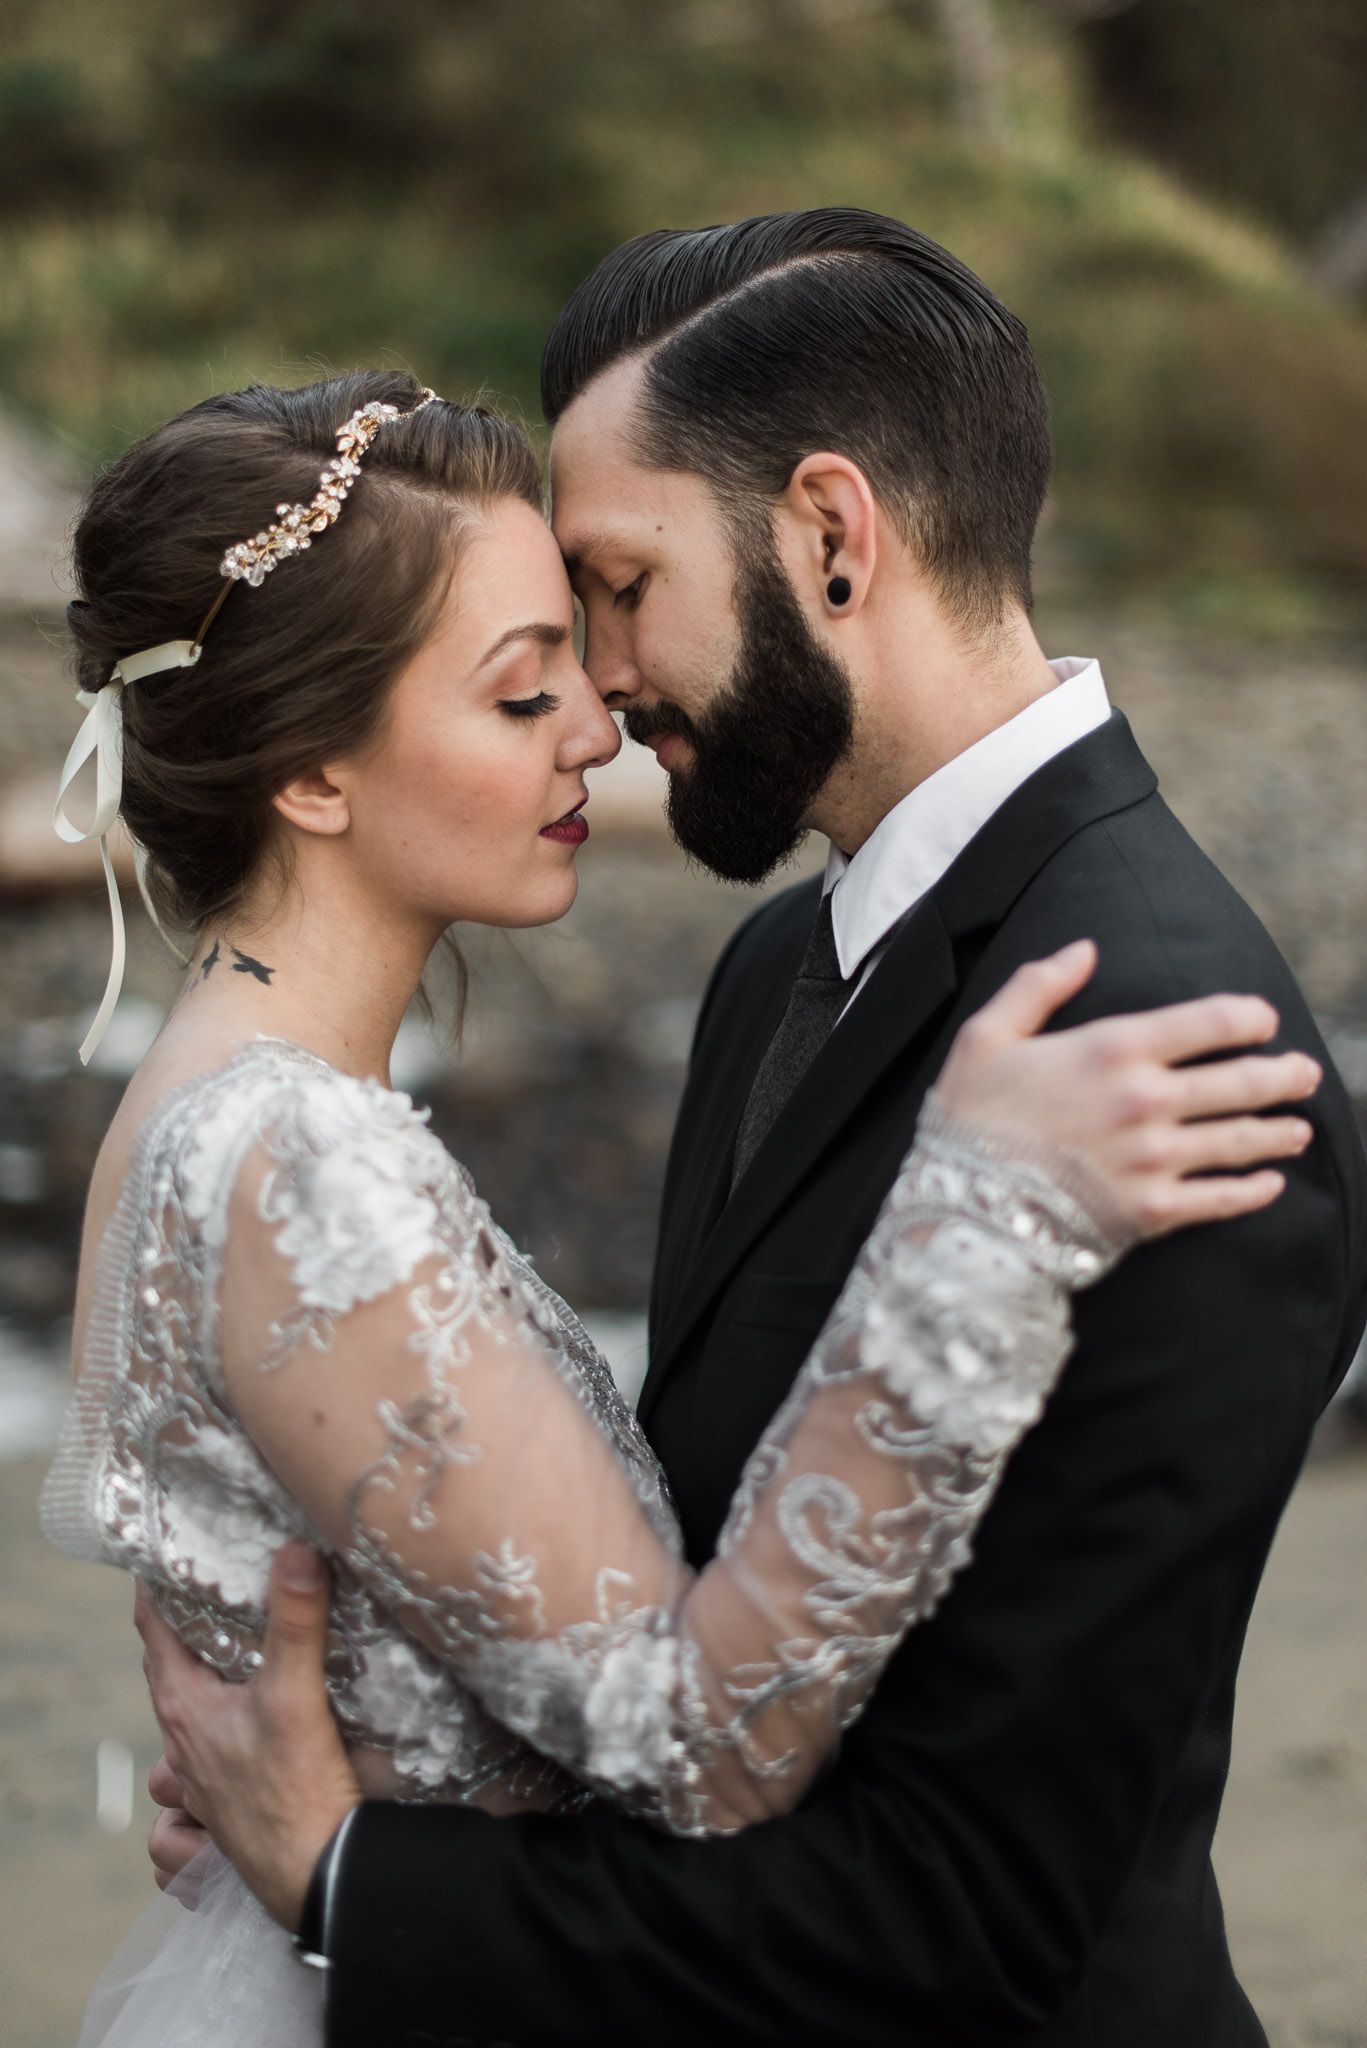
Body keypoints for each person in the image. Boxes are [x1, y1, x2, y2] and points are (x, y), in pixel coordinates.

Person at [136, 212, 1367, 2048]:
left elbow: (963, 1911)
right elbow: (684, 1576)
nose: (604, 695)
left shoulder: (1170, 1055)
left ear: (831, 537)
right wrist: (423, 1748)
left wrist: (349, 1876)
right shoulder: (780, 963)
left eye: (621, 587)